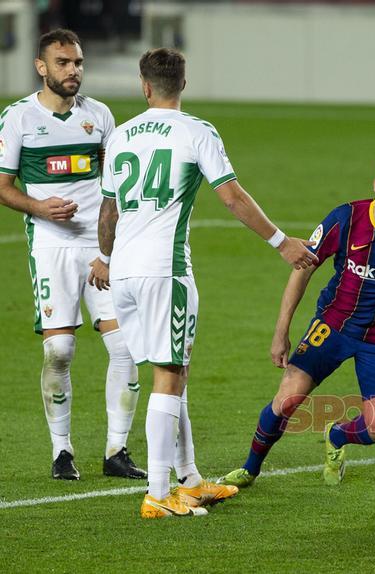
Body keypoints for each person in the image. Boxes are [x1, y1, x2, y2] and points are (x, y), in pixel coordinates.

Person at [88, 47, 317, 518]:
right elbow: (231, 196)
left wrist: (106, 258)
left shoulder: (123, 135)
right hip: (164, 272)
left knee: (175, 374)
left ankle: (189, 479)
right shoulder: (196, 131)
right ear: (183, 85)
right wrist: (280, 242)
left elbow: (108, 211)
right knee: (169, 377)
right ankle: (157, 492)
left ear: (144, 86)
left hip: (124, 272)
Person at [220, 154, 375, 488]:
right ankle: (251, 468)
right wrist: (281, 331)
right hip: (334, 325)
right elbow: (303, 268)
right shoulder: (346, 218)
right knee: (286, 401)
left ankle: (338, 435)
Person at [0, 29, 145, 481]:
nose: (73, 70)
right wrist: (38, 207)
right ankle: (62, 452)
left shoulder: (100, 116)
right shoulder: (18, 118)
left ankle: (116, 450)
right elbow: (3, 187)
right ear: (41, 67)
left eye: (78, 62)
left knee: (124, 347)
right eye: (63, 63)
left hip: (99, 248)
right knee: (59, 350)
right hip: (50, 246)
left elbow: (116, 187)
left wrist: (110, 247)